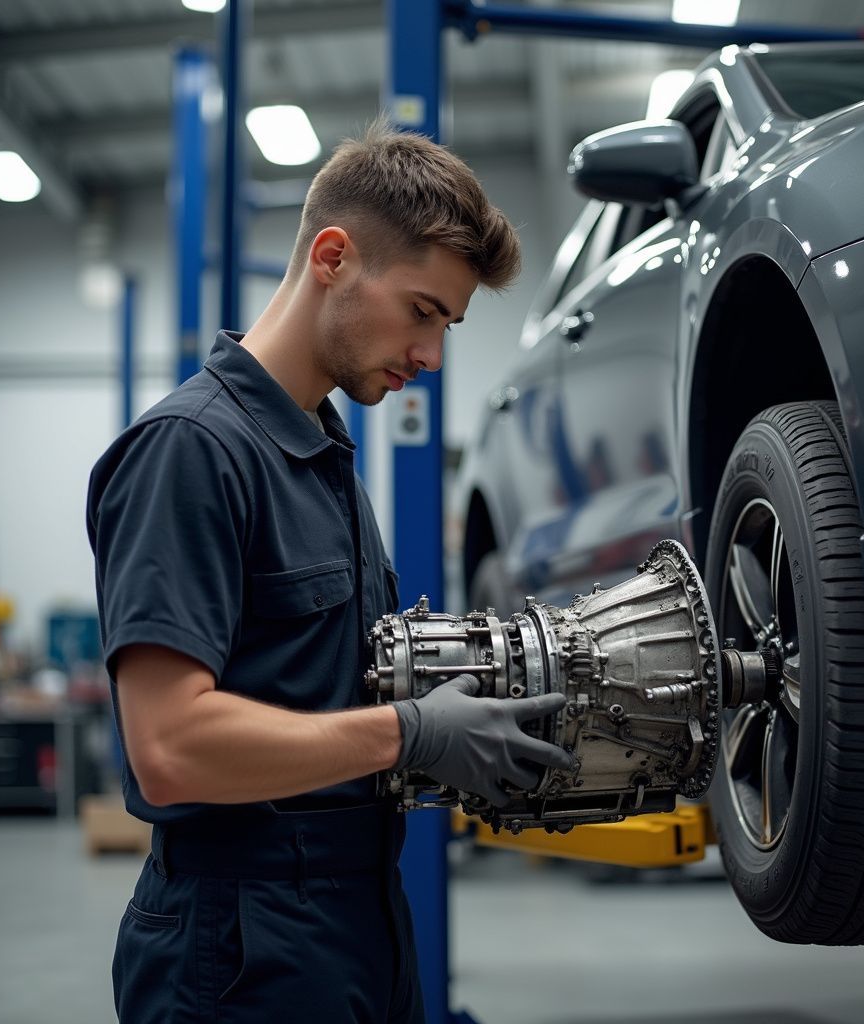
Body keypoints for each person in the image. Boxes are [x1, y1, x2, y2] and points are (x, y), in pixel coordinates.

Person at [86, 122, 574, 1024]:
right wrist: (410, 733)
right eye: (424, 312)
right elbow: (168, 749)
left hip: (357, 921)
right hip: (239, 948)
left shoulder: (324, 456)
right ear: (334, 256)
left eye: (448, 327)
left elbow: (316, 699)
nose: (431, 357)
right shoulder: (191, 452)